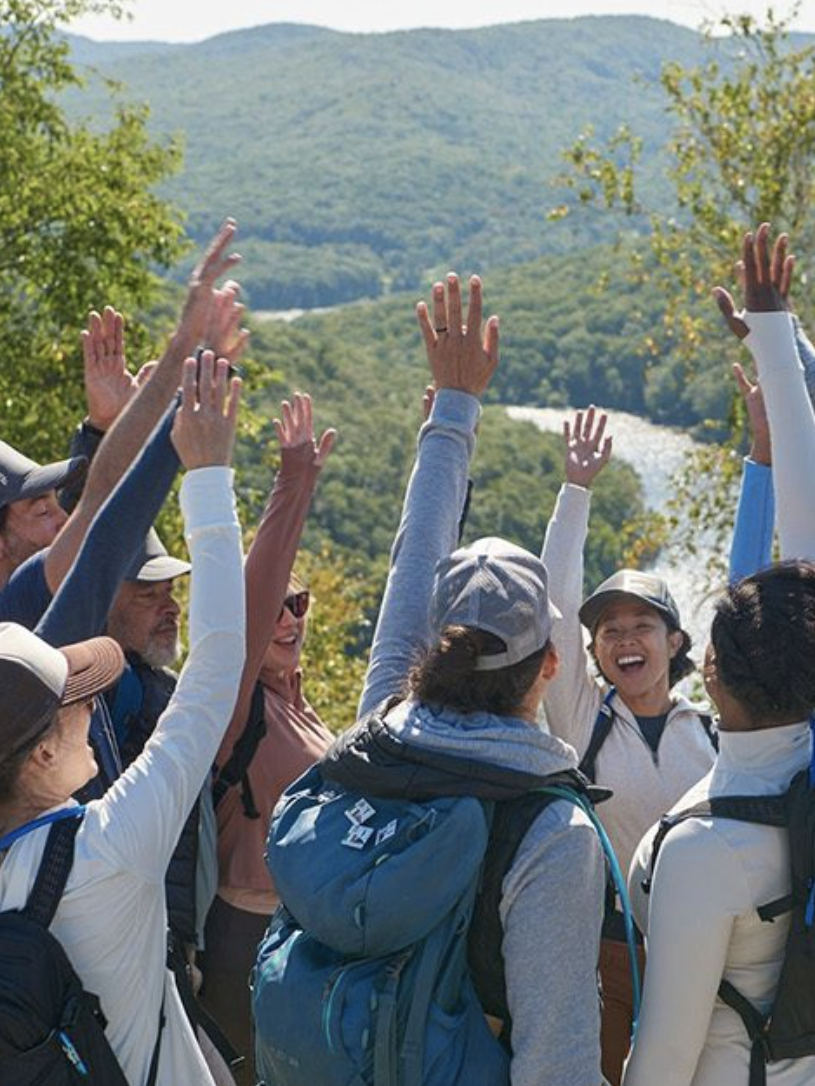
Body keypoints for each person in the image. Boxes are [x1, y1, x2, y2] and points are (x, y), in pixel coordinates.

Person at [332, 274, 607, 1085]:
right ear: (550, 665)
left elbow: (411, 563)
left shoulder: (373, 732)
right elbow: (555, 1060)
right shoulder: (550, 831)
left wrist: (453, 408)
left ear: (433, 645)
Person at [0, 351, 244, 1085]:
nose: (90, 709)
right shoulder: (110, 847)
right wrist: (208, 475)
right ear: (40, 757)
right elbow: (217, 665)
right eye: (75, 705)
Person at [623, 224, 815, 1086]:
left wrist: (781, 342)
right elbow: (786, 580)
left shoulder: (709, 852)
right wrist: (783, 348)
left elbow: (663, 1057)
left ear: (707, 669)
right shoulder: (803, 759)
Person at [539, 407, 716, 1084]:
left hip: (702, 946)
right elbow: (555, 606)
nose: (623, 640)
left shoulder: (712, 732)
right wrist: (575, 489)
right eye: (608, 631)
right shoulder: (582, 717)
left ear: (674, 644)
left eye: (641, 625)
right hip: (609, 947)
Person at [201, 391, 336, 1085]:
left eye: (301, 604)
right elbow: (253, 599)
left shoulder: (295, 701)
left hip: (301, 929)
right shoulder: (232, 698)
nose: (289, 619)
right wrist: (294, 481)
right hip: (243, 934)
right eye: (278, 606)